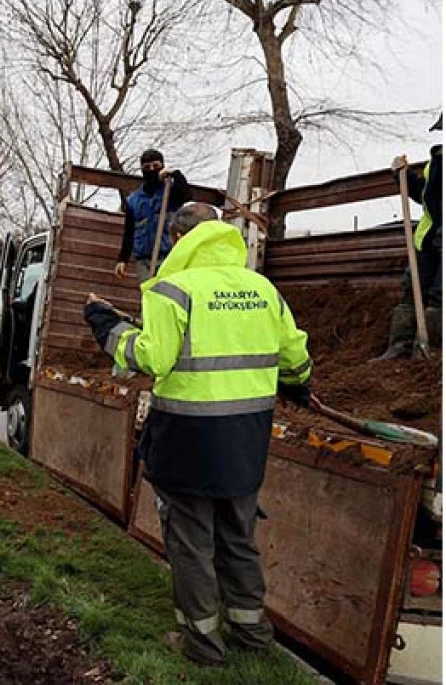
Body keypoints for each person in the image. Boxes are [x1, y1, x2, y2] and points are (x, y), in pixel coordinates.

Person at [84, 203, 312, 667]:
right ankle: (251, 635)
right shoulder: (263, 288)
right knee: (238, 538)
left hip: (188, 440)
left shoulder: (171, 289)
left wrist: (107, 327)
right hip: (247, 441)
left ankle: (203, 645)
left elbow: (152, 358)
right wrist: (297, 382)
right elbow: (296, 359)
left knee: (191, 544)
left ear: (176, 239)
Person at [375, 114, 443, 360]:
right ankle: (400, 345)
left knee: (440, 294)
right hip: (428, 238)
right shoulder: (437, 160)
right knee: (412, 290)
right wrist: (404, 177)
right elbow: (428, 197)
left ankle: (433, 351)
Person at [115, 149, 192, 284]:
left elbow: (187, 195)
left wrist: (174, 174)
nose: (151, 170)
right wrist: (122, 259)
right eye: (147, 167)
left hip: (169, 257)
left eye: (156, 166)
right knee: (149, 294)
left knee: (167, 294)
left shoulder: (170, 193)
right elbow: (129, 232)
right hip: (144, 260)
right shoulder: (133, 200)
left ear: (162, 166)